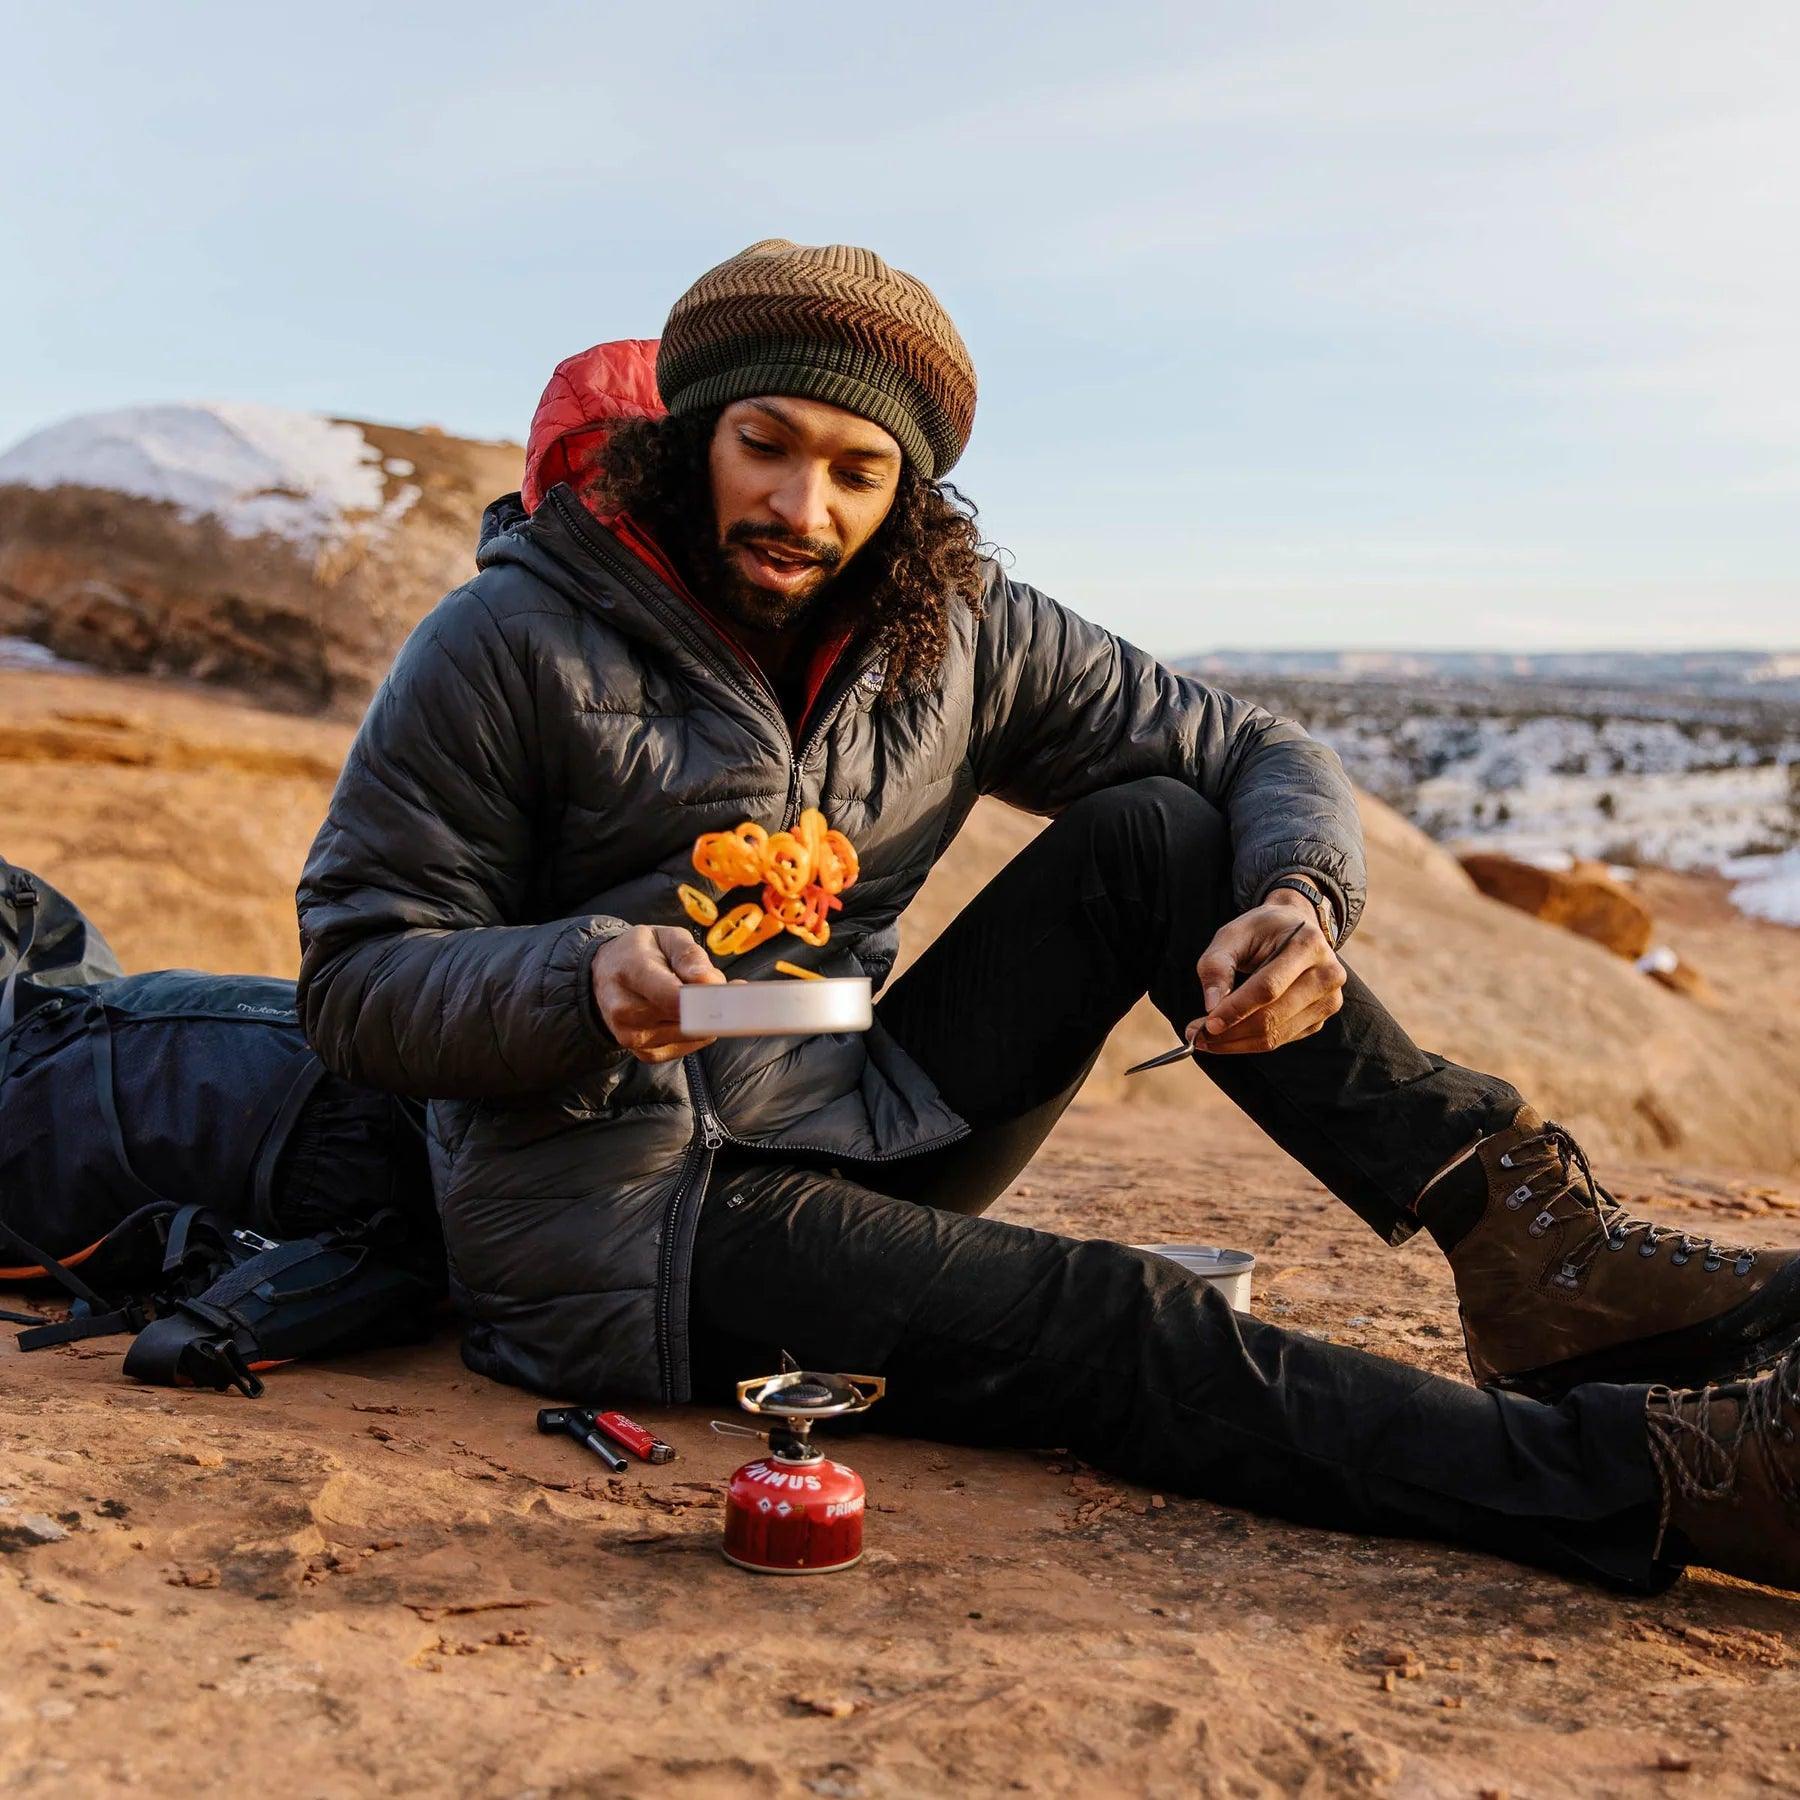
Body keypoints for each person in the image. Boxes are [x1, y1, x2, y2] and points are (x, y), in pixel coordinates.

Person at [297, 240, 1800, 1594]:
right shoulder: (505, 640)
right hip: (624, 1223)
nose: (799, 506)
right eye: (764, 446)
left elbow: (1259, 747)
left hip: (854, 1116)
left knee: (1160, 832)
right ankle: (1654, 1480)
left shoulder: (949, 630)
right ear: (695, 435)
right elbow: (356, 977)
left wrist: (1296, 900)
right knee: (1114, 1320)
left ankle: (1541, 1255)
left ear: (911, 492)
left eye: (856, 469)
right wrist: (582, 980)